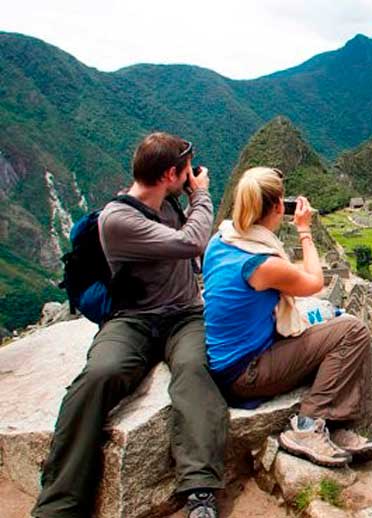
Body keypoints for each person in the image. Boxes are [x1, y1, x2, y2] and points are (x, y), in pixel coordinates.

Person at [32, 133, 227, 518]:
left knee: (194, 370)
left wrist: (186, 197)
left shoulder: (168, 200)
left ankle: (200, 489)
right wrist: (201, 194)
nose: (193, 176)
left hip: (184, 315)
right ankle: (59, 503)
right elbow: (191, 243)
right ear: (171, 173)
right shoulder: (118, 219)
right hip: (132, 320)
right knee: (99, 376)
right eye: (186, 171)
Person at [202, 166, 372, 468]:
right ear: (277, 207)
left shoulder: (221, 240)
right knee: (351, 330)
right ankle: (307, 426)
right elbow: (315, 282)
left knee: (327, 317)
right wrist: (304, 230)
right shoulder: (260, 263)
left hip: (229, 361)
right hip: (246, 373)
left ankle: (335, 427)